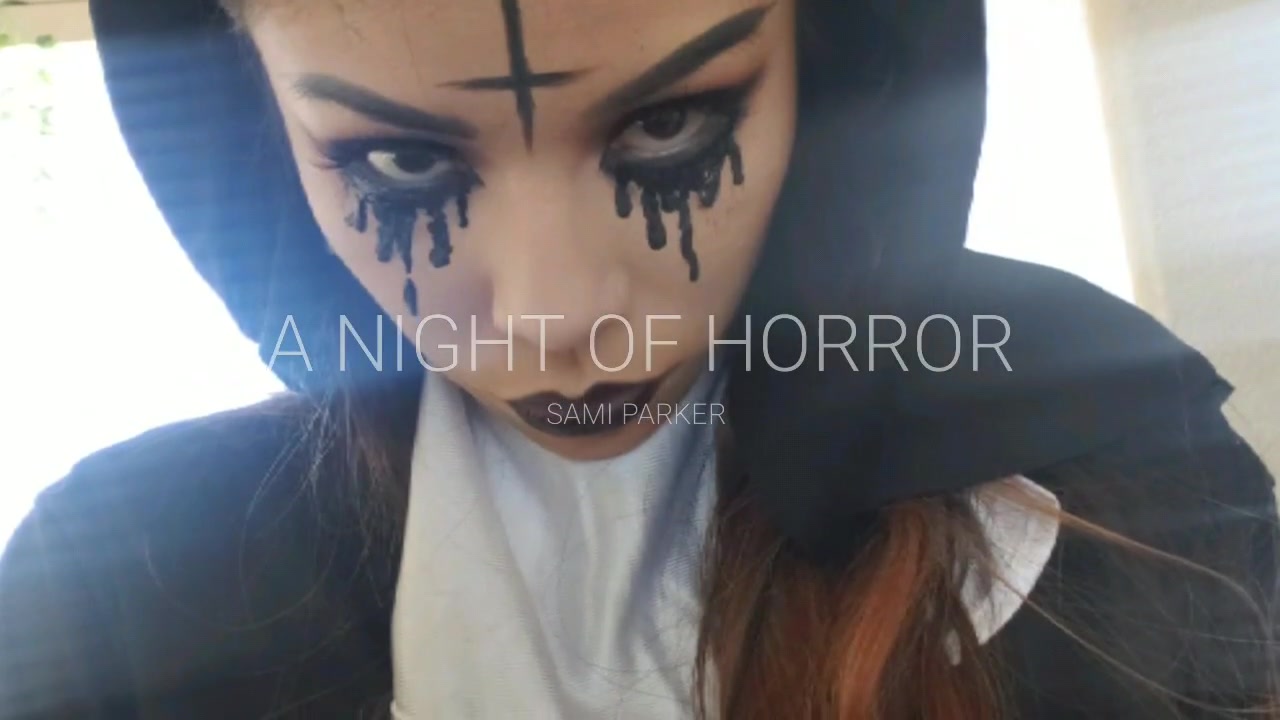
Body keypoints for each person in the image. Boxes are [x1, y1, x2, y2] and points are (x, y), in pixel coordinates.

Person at [2, 0, 1277, 717]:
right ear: (250, 135)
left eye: (669, 126)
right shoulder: (118, 584)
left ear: (836, 65)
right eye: (400, 160)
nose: (559, 317)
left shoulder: (1114, 472)